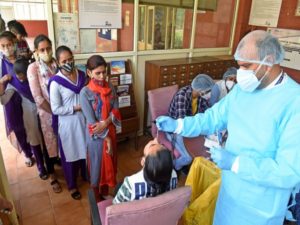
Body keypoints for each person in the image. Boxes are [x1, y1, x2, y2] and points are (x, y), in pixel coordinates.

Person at [155, 30, 300, 225]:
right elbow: (212, 118)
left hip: (260, 207)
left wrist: (237, 163)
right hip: (229, 192)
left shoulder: (293, 102)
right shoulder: (242, 91)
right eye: (239, 66)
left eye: (246, 66)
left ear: (270, 60)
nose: (241, 74)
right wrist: (179, 124)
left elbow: (289, 172)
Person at [79, 55, 121, 200]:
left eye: (104, 72)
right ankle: (96, 199)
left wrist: (105, 122)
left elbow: (116, 109)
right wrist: (107, 137)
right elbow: (92, 123)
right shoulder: (85, 93)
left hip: (109, 129)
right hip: (96, 137)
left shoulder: (111, 87)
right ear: (89, 73)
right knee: (97, 167)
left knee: (109, 163)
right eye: (98, 73)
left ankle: (104, 193)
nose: (102, 76)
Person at [0, 58, 48, 180]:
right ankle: (41, 167)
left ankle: (51, 161)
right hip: (28, 110)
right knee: (34, 138)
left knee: (48, 136)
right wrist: (1, 86)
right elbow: (4, 100)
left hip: (43, 107)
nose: (21, 79)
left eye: (24, 76)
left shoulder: (34, 76)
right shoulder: (13, 81)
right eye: (19, 76)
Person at [49, 45, 86, 200]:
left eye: (70, 59)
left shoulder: (83, 75)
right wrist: (76, 107)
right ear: (58, 62)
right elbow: (56, 108)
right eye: (64, 60)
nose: (68, 62)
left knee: (85, 150)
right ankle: (72, 185)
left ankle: (85, 175)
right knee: (70, 154)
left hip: (84, 121)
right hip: (68, 124)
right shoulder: (55, 82)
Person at [27, 34, 62, 193]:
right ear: (36, 51)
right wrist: (54, 112)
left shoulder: (57, 64)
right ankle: (52, 175)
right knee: (48, 145)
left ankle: (62, 163)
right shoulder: (33, 68)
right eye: (42, 49)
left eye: (48, 48)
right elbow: (38, 97)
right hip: (46, 114)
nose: (46, 51)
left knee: (61, 140)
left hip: (62, 111)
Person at [167, 74, 214, 171]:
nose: (209, 94)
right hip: (175, 129)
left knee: (207, 150)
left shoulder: (201, 96)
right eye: (208, 91)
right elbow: (182, 124)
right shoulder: (182, 96)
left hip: (190, 127)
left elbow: (207, 114)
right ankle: (173, 168)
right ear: (199, 90)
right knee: (187, 158)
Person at [0, 31, 34, 167]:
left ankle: (35, 148)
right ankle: (27, 153)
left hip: (27, 97)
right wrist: (2, 80)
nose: (6, 48)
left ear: (14, 44)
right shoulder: (1, 62)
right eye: (2, 46)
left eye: (9, 45)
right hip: (10, 100)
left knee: (31, 125)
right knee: (18, 127)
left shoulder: (23, 59)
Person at [113, 138, 177, 204]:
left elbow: (115, 207)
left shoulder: (130, 183)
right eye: (162, 145)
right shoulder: (174, 175)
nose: (156, 140)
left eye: (152, 145)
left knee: (118, 187)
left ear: (143, 161)